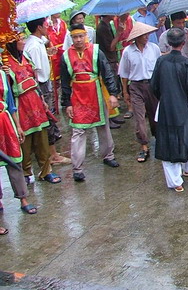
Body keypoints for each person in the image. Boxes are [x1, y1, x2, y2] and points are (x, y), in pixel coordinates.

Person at [60, 24, 120, 182]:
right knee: (78, 132)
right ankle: (77, 168)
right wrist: (67, 104)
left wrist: (113, 94)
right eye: (75, 37)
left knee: (103, 126)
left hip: (96, 93)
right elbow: (65, 83)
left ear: (85, 35)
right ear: (71, 38)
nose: (78, 40)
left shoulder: (96, 51)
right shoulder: (66, 56)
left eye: (81, 36)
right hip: (77, 96)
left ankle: (108, 155)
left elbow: (107, 73)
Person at [3, 30, 60, 185]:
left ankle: (46, 170)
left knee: (42, 138)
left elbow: (34, 79)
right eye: (20, 39)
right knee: (25, 142)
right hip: (20, 104)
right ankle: (27, 172)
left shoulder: (26, 57)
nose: (23, 41)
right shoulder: (5, 62)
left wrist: (42, 99)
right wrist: (5, 73)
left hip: (35, 101)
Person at [151, 28, 188, 192]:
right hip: (182, 104)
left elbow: (154, 86)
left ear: (168, 43)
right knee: (185, 135)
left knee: (168, 140)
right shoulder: (186, 63)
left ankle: (175, 181)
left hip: (165, 105)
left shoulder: (160, 61)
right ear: (183, 42)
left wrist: (165, 96)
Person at [23, 17, 67, 165]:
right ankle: (52, 155)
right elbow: (35, 69)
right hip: (40, 84)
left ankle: (50, 152)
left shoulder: (37, 42)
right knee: (48, 117)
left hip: (43, 81)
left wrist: (48, 51)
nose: (47, 27)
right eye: (45, 25)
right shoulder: (34, 46)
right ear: (39, 27)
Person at [0, 67, 38, 225]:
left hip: (5, 122)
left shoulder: (2, 74)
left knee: (14, 161)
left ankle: (23, 198)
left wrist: (18, 126)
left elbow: (9, 103)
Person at [119, 22, 161, 164]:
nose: (146, 37)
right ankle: (144, 145)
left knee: (155, 115)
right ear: (136, 37)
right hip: (136, 86)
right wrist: (125, 92)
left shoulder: (154, 49)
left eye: (147, 34)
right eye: (143, 35)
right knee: (139, 118)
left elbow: (159, 69)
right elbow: (124, 74)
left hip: (152, 85)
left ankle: (159, 139)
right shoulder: (128, 52)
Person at [95, 14, 126, 129]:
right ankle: (109, 117)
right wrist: (118, 33)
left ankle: (114, 116)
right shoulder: (102, 28)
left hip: (111, 59)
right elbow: (111, 47)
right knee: (109, 89)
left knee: (114, 86)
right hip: (107, 61)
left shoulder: (107, 25)